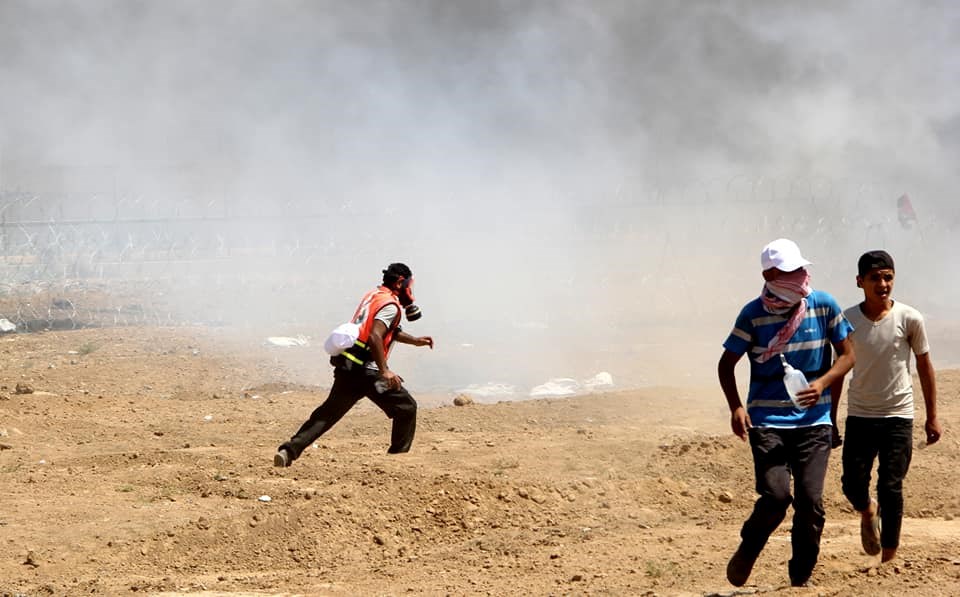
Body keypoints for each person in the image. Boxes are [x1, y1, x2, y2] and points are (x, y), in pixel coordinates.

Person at [718, 238, 855, 588]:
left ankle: (800, 577)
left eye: (800, 269)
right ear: (769, 275)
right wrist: (736, 407)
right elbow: (726, 364)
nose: (800, 276)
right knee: (776, 497)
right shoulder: (752, 314)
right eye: (790, 271)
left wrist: (822, 384)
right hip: (767, 422)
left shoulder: (823, 305)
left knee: (810, 502)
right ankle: (749, 546)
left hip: (814, 421)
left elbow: (848, 355)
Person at [829, 250, 941, 563]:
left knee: (891, 486)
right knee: (852, 485)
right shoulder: (847, 321)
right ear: (860, 281)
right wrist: (830, 418)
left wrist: (932, 416)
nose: (882, 284)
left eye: (888, 277)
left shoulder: (910, 318)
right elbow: (839, 372)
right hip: (860, 415)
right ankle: (868, 511)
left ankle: (888, 558)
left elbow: (924, 366)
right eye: (875, 278)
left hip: (898, 416)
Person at [274, 263, 434, 466]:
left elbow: (387, 330)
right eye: (409, 285)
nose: (410, 291)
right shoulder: (390, 306)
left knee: (327, 414)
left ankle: (288, 451)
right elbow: (375, 335)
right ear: (400, 282)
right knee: (406, 407)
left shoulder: (374, 296)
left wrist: (415, 341)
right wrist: (385, 371)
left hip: (349, 369)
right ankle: (397, 462)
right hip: (369, 373)